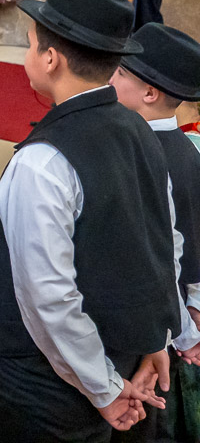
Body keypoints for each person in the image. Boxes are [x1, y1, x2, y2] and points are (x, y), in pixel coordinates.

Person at [0, 0, 184, 442]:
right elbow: (164, 244)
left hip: (41, 390)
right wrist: (156, 339)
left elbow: (49, 297)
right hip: (124, 361)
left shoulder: (42, 161)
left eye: (30, 45)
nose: (28, 55)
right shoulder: (143, 132)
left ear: (50, 58)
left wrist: (104, 388)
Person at [110, 22, 200, 439]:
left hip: (144, 331)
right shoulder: (190, 154)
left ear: (149, 93)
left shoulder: (134, 156)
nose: (109, 78)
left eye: (119, 72)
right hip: (174, 324)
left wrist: (184, 334)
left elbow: (164, 261)